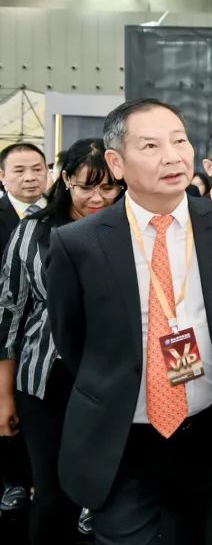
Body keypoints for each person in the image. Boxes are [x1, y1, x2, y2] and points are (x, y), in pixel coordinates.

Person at [46, 99, 212, 544]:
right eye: (151, 146)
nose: (172, 157)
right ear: (116, 162)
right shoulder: (78, 243)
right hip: (121, 435)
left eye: (179, 141)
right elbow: (71, 339)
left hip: (206, 430)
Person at [0, 139, 123, 543]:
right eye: (87, 186)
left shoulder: (129, 228)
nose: (98, 198)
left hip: (113, 378)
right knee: (53, 494)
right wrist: (4, 396)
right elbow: (9, 312)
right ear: (66, 179)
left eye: (109, 187)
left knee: (111, 491)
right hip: (45, 378)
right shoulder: (33, 230)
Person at [0, 142, 46, 513]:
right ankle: (14, 482)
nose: (30, 177)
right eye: (19, 170)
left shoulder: (62, 215)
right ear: (2, 177)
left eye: (37, 169)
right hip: (5, 328)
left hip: (45, 336)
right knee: (7, 408)